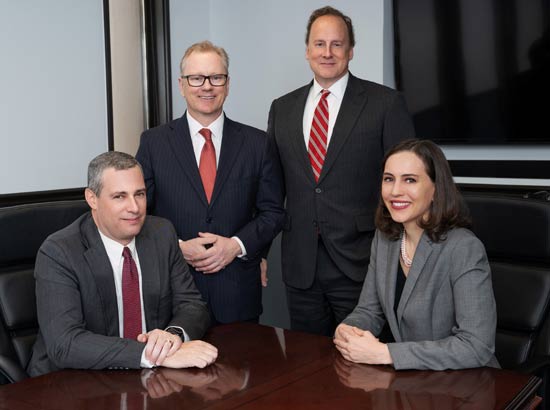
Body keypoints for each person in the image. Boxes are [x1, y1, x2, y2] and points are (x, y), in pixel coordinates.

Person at [267, 6, 415, 336]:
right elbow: (272, 190)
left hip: (362, 263)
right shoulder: (282, 108)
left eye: (337, 44)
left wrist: (407, 255)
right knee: (306, 369)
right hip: (301, 265)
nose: (328, 52)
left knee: (363, 372)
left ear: (350, 51)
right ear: (307, 51)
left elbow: (408, 184)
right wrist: (259, 253)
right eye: (320, 44)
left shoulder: (385, 104)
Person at [27, 152, 218, 377]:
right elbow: (65, 343)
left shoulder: (162, 233)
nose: (134, 208)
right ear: (92, 199)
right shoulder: (59, 252)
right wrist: (151, 354)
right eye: (119, 196)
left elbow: (192, 305)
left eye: (139, 194)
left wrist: (171, 337)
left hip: (149, 378)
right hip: (71, 381)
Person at [136, 41, 285, 324]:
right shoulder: (154, 143)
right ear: (181, 85)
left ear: (227, 84)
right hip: (175, 291)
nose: (207, 86)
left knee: (242, 369)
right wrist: (177, 247)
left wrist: (236, 245)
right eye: (197, 78)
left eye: (216, 78)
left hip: (238, 294)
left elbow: (273, 213)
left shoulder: (257, 144)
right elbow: (140, 214)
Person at [334, 139, 498, 370]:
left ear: (435, 189)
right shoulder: (385, 240)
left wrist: (387, 353)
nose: (395, 191)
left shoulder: (463, 248)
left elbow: (476, 345)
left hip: (466, 384)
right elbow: (369, 311)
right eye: (388, 179)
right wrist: (349, 328)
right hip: (413, 381)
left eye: (410, 180)